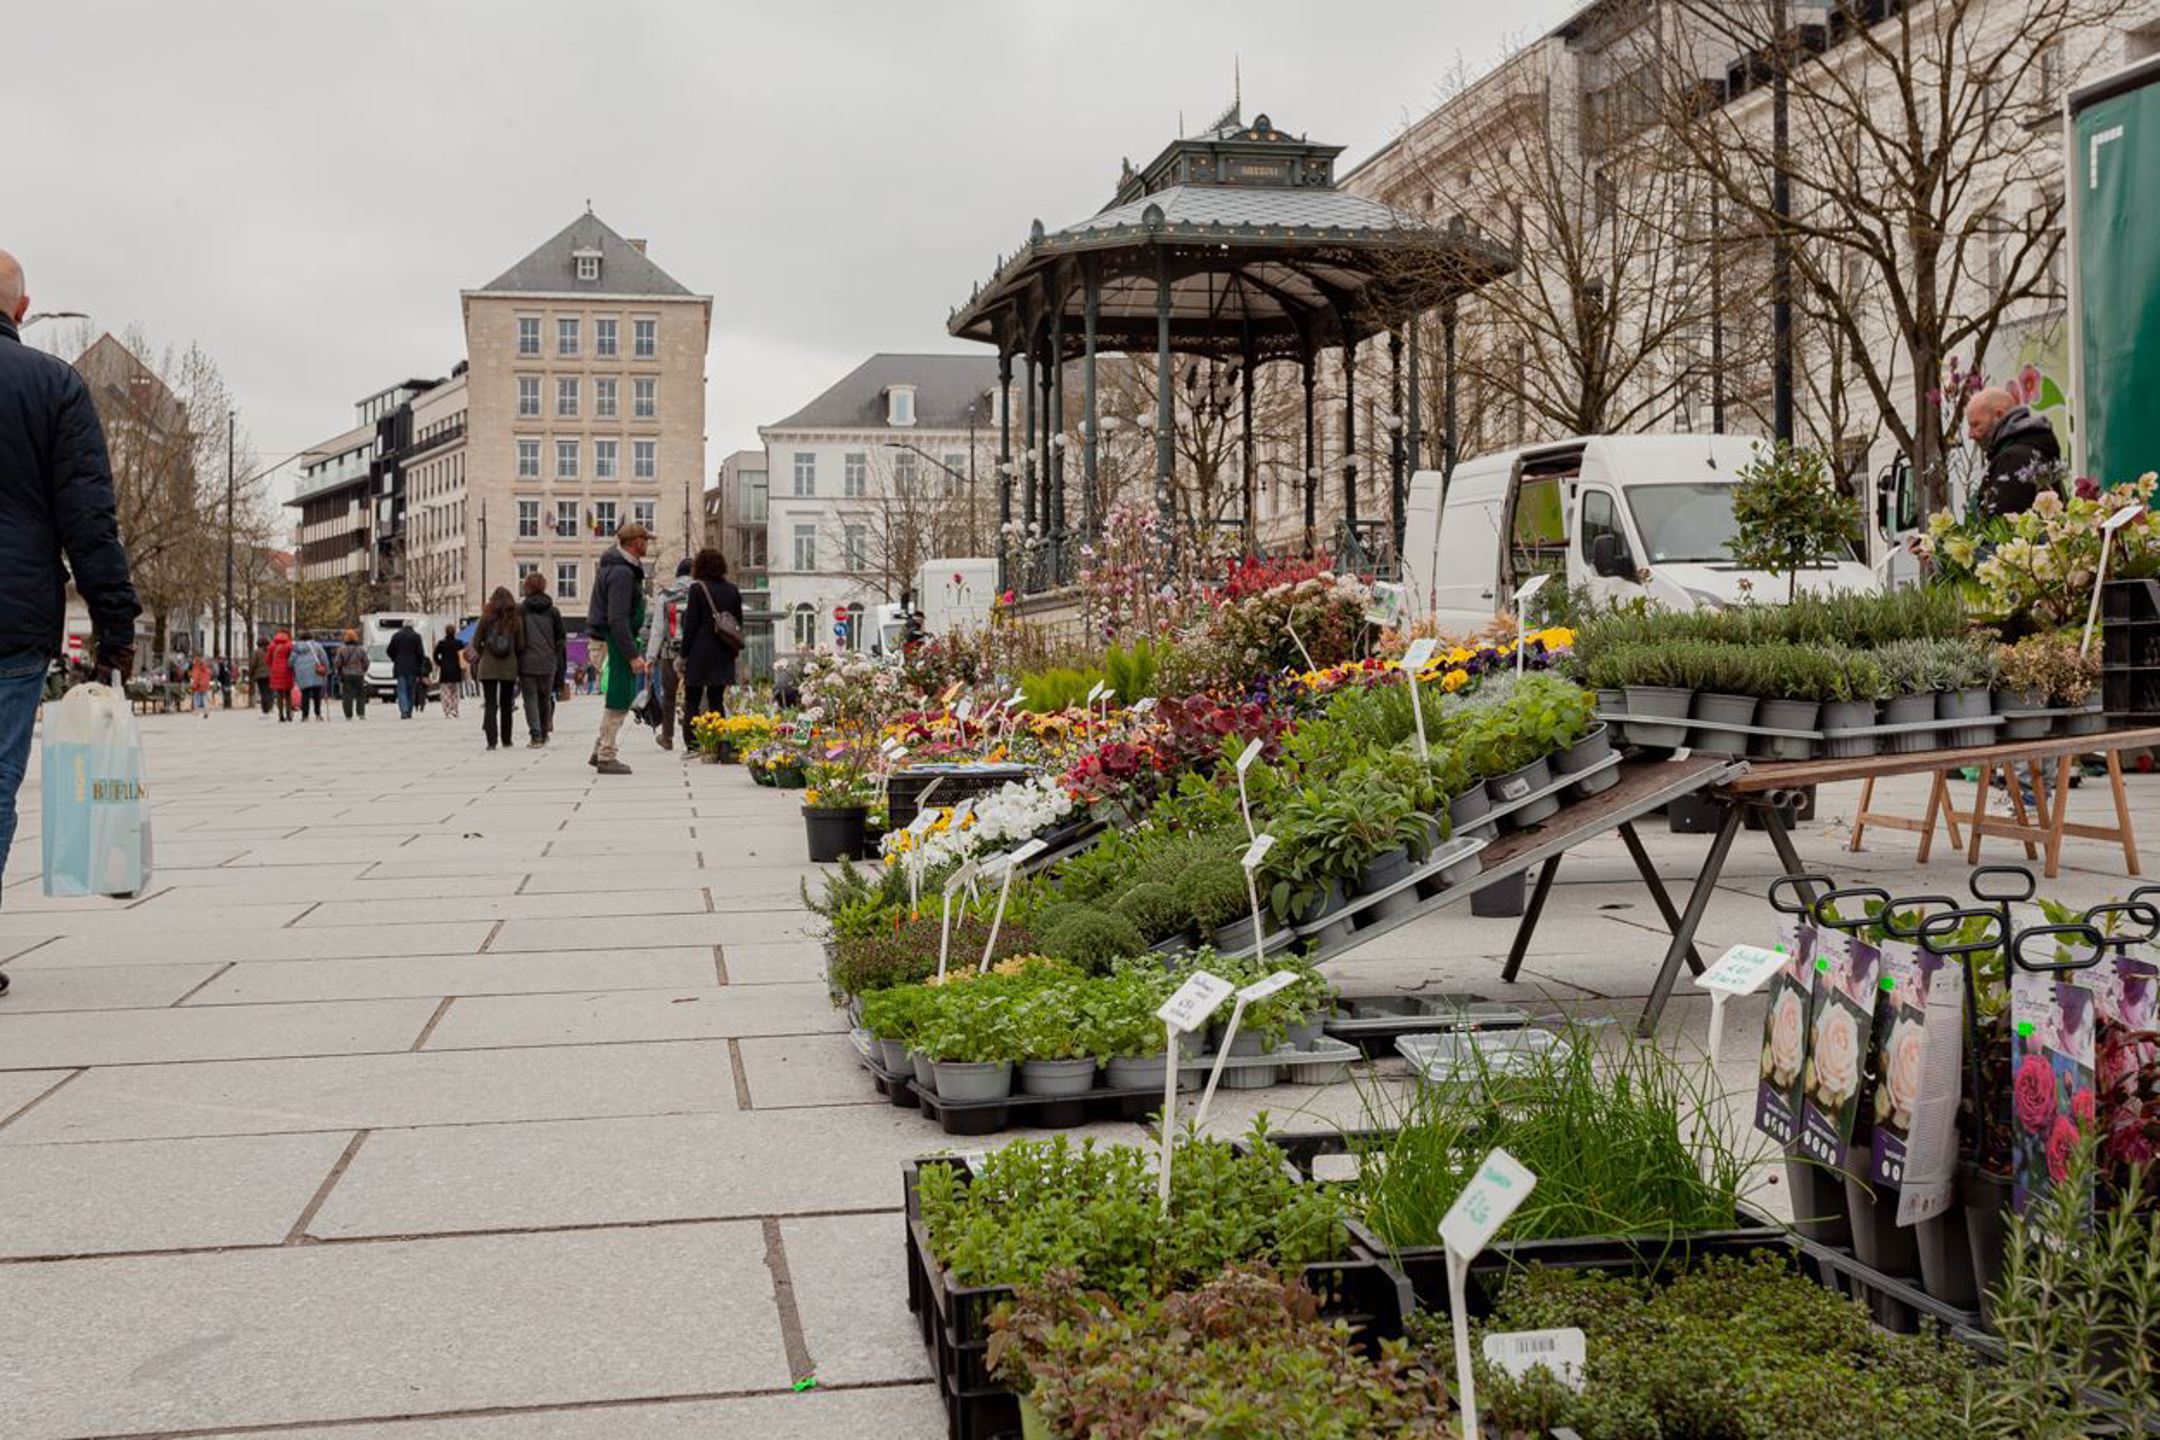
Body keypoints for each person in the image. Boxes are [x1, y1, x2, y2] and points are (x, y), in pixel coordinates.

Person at [0, 248, 142, 995]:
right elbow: (89, 518)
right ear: (22, 308)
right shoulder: (53, 386)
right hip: (11, 613)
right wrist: (113, 621)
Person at [586, 520, 652, 775]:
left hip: (610, 637)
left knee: (618, 695)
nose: (647, 545)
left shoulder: (616, 568)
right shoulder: (623, 573)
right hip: (614, 639)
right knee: (619, 695)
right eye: (645, 541)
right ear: (636, 543)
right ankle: (606, 755)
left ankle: (599, 748)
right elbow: (617, 618)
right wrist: (632, 655)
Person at [1966, 385, 2064, 521]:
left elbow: (2002, 527)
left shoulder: (2013, 459)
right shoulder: (2034, 447)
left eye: (1976, 425)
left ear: (1999, 415)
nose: (1970, 435)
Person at [679, 548, 744, 744]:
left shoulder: (697, 589)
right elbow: (738, 622)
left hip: (700, 652)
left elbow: (690, 625)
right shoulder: (733, 590)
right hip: (724, 651)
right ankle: (718, 742)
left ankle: (693, 743)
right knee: (716, 700)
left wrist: (683, 655)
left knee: (692, 699)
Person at [470, 587, 524, 751]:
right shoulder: (516, 620)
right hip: (509, 666)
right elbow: (521, 645)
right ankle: (506, 740)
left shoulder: (485, 618)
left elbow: (476, 643)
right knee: (507, 704)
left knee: (490, 703)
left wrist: (482, 651)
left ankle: (491, 741)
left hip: (488, 667)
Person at [517, 570, 568, 747]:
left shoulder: (521, 610)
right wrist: (554, 652)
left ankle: (535, 735)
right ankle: (545, 732)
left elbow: (517, 636)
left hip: (527, 661)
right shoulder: (553, 611)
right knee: (545, 698)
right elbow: (561, 637)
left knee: (530, 698)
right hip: (548, 661)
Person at [655, 557, 693, 751]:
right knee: (693, 696)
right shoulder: (699, 593)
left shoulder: (666, 595)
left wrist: (650, 657)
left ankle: (667, 736)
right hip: (693, 655)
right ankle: (694, 737)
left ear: (678, 574)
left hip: (669, 654)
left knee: (668, 696)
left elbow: (658, 630)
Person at [386, 621, 427, 718]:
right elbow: (420, 653)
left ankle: (404, 710)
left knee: (402, 690)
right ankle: (409, 710)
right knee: (411, 690)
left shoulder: (396, 636)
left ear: (403, 626)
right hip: (413, 667)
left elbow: (389, 650)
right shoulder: (416, 636)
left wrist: (395, 658)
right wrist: (420, 665)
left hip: (400, 666)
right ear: (412, 626)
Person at [291, 629, 329, 721]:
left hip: (302, 673)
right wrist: (326, 669)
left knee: (305, 694)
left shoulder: (296, 647)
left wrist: (294, 668)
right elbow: (323, 658)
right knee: (317, 694)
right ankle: (318, 714)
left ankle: (305, 716)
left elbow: (291, 661)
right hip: (316, 671)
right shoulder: (317, 646)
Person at [334, 629, 370, 719]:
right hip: (359, 674)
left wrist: (339, 669)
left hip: (346, 674)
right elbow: (366, 661)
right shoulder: (360, 649)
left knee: (347, 694)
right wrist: (363, 669)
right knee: (360, 694)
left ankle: (348, 715)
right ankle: (361, 713)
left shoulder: (342, 649)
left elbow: (337, 662)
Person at [432, 623, 465, 719]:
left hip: (445, 670)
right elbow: (462, 657)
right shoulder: (459, 643)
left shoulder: (441, 643)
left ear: (445, 632)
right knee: (455, 692)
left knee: (445, 692)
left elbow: (435, 655)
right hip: (456, 670)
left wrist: (440, 663)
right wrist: (462, 667)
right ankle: (455, 709)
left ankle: (448, 710)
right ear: (454, 632)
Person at [266, 629, 296, 721]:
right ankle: (289, 714)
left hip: (275, 671)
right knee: (288, 693)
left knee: (279, 694)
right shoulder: (290, 645)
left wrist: (273, 667)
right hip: (287, 671)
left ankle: (280, 715)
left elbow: (268, 660)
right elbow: (293, 658)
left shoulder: (272, 646)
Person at [189, 653, 212, 717]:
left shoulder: (196, 668)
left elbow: (195, 678)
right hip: (205, 685)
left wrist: (194, 685)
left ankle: (197, 711)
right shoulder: (206, 669)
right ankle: (206, 711)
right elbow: (209, 676)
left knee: (196, 698)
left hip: (198, 685)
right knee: (204, 698)